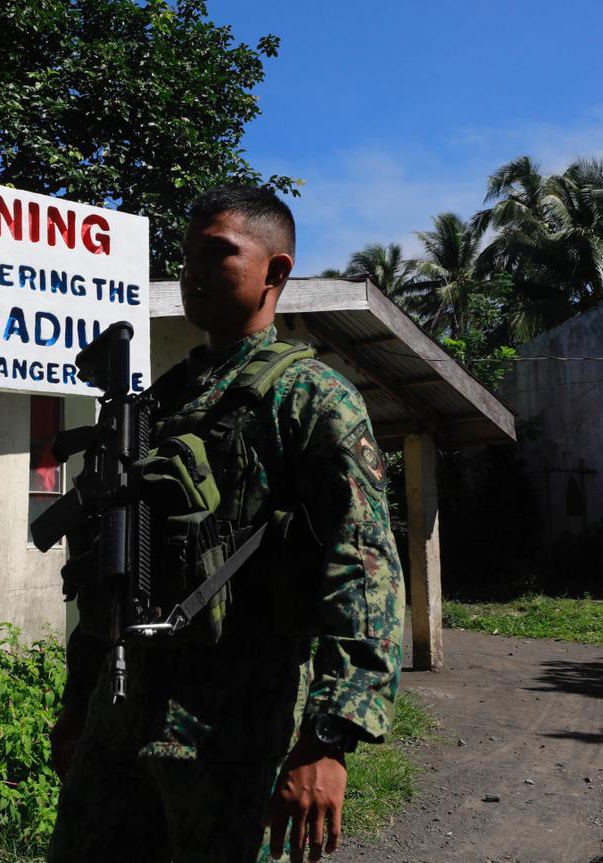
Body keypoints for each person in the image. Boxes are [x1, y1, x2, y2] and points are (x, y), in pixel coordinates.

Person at [47, 186, 405, 863]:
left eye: (218, 254)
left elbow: (363, 571)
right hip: (117, 725)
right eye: (185, 257)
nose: (192, 271)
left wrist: (327, 740)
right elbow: (111, 568)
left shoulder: (310, 399)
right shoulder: (155, 404)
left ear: (275, 272)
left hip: (232, 739)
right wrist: (77, 706)